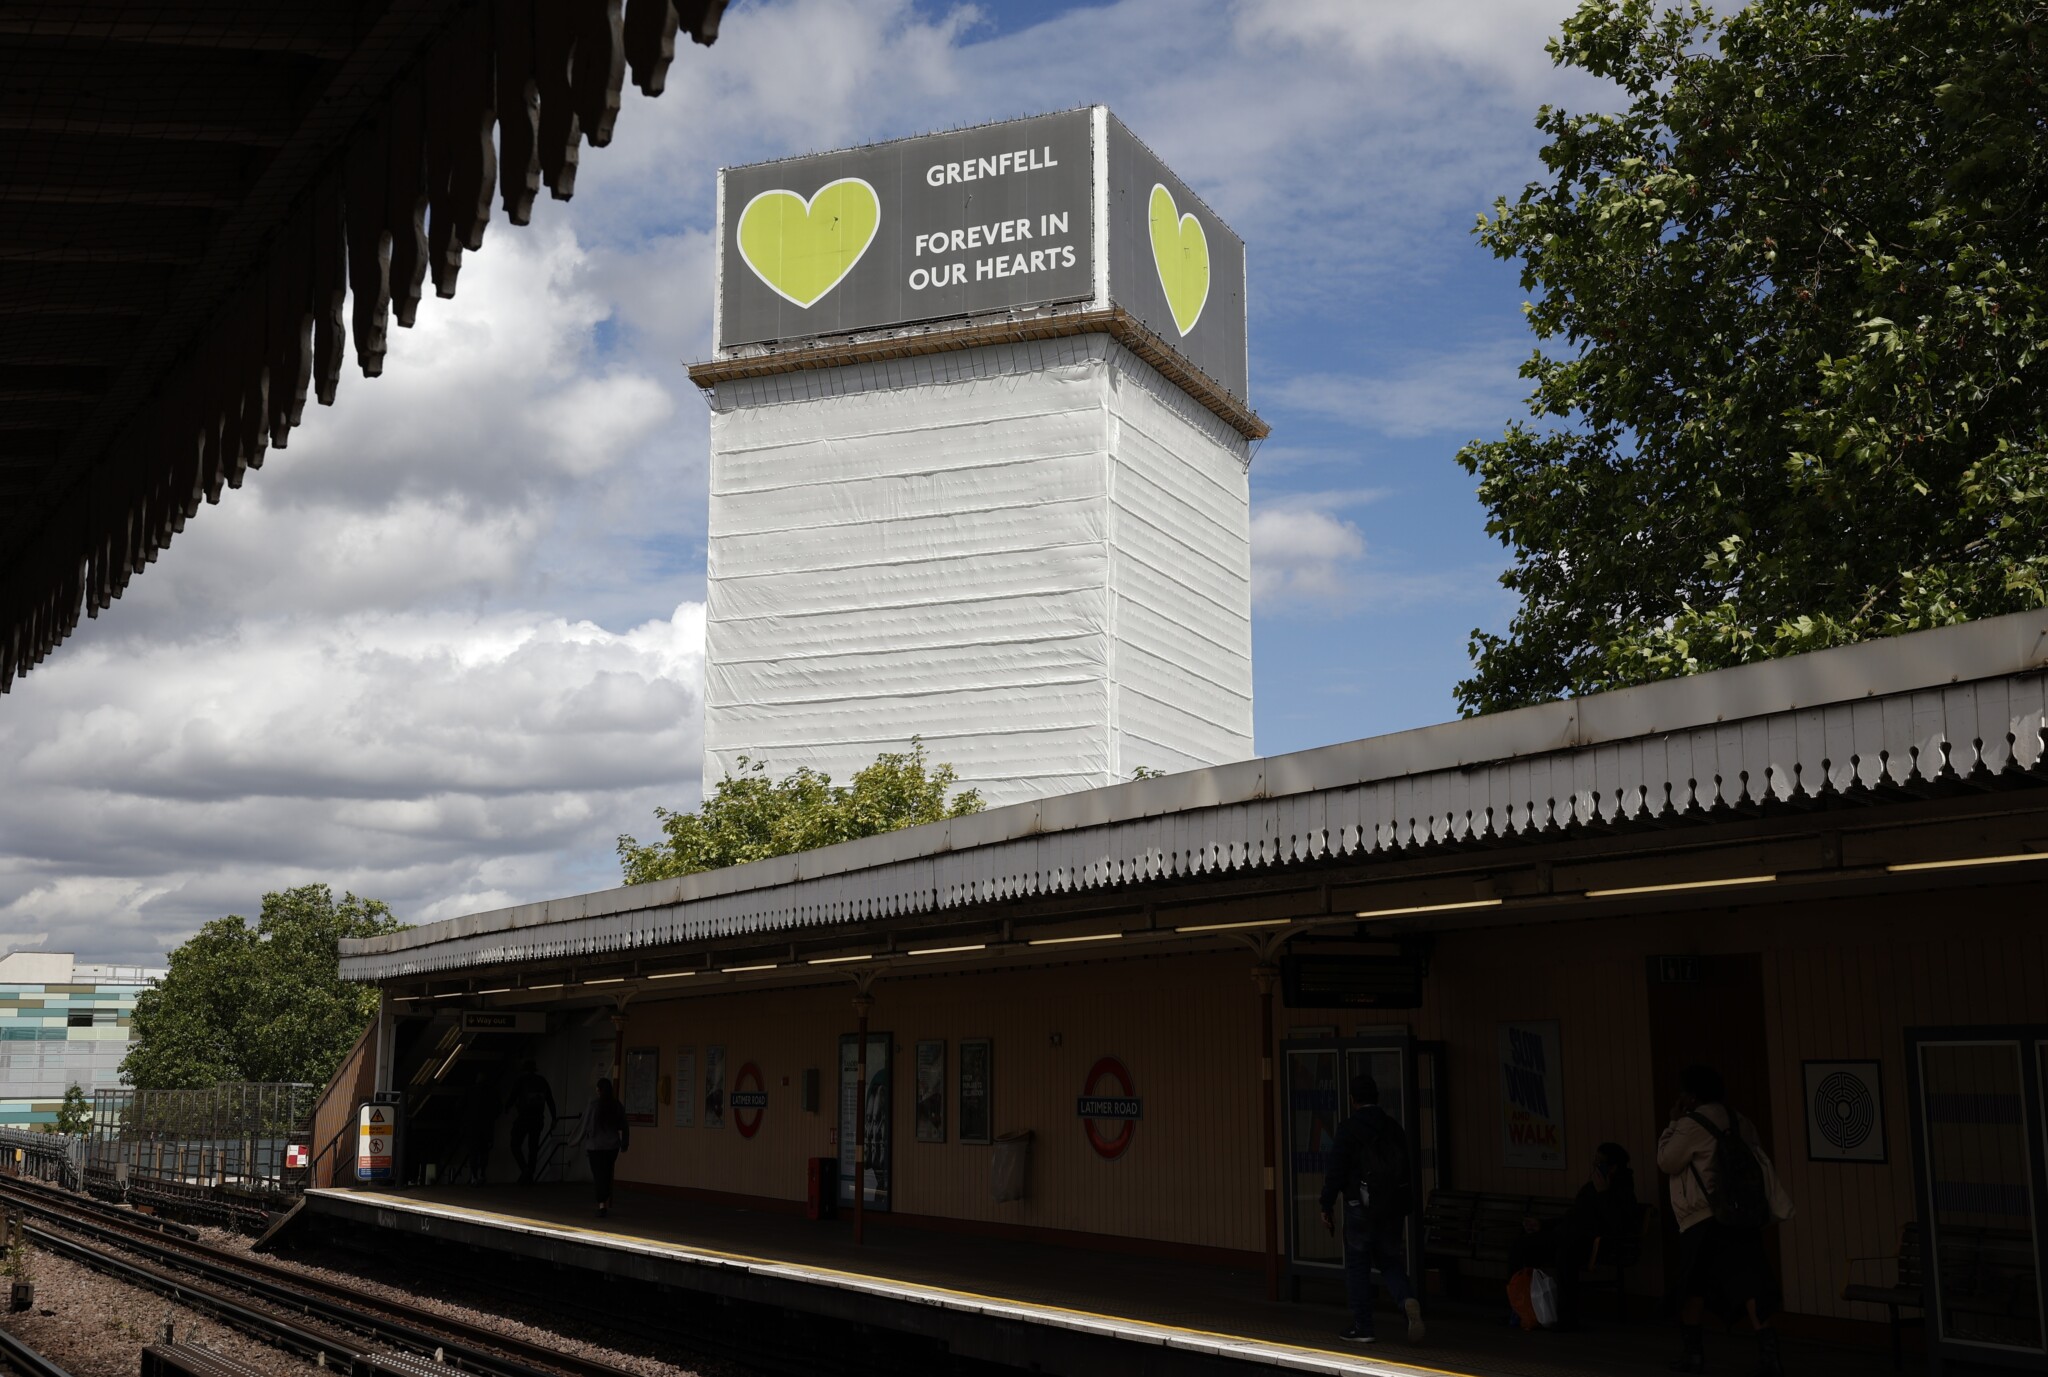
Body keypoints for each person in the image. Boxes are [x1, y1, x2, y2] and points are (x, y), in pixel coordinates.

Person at [1657, 1065, 1794, 1375]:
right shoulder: (1741, 1120)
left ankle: (1693, 1355)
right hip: (1740, 1216)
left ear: (1691, 1096)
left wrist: (1673, 1122)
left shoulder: (1690, 1124)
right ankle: (1770, 1356)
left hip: (1703, 1218)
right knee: (1751, 1284)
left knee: (1693, 1286)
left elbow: (1667, 1161)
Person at [1318, 1074, 1424, 1346]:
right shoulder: (1393, 1127)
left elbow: (1336, 1171)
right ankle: (1407, 1300)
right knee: (1390, 1260)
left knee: (1357, 1265)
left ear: (1353, 1100)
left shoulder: (1349, 1129)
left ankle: (1363, 1326)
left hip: (1359, 1207)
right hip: (1391, 1207)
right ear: (1377, 1098)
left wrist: (1326, 1204)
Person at [1505, 1141, 1638, 1329]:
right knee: (1520, 1246)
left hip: (1592, 1243)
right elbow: (1573, 1216)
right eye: (1595, 1161)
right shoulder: (1590, 1188)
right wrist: (1543, 1225)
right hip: (1566, 1235)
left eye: (1600, 1162)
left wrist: (1603, 1194)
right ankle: (1520, 1309)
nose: (1595, 1166)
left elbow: (1618, 1225)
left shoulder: (1623, 1191)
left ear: (1613, 1167)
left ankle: (1566, 1319)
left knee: (1565, 1253)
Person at [578, 1076, 630, 1218]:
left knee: (598, 1175)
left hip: (596, 1146)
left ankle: (602, 1204)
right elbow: (624, 1125)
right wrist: (625, 1143)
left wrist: (578, 1140)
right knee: (607, 1173)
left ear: (599, 1090)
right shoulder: (616, 1105)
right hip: (612, 1146)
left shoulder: (594, 1105)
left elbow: (587, 1125)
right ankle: (604, 1200)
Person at [506, 1060, 557, 1185]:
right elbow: (550, 1100)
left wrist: (506, 1108)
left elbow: (513, 1096)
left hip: (524, 1117)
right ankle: (530, 1175)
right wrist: (554, 1118)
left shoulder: (521, 1080)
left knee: (515, 1144)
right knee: (533, 1148)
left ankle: (525, 1170)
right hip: (538, 1118)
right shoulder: (542, 1081)